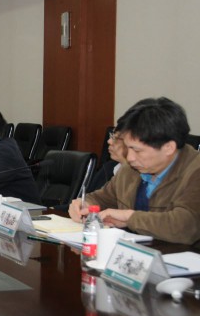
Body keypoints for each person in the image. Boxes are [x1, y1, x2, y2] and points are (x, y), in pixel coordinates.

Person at [68, 97, 200, 245]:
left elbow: (185, 227)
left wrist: (130, 218)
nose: (130, 158)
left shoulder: (195, 171)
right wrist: (85, 205)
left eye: (137, 150)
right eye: (128, 147)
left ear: (168, 147)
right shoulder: (132, 169)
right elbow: (104, 198)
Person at [86, 127, 128, 192]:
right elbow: (90, 195)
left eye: (116, 138)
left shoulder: (138, 177)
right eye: (111, 136)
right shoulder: (108, 167)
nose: (109, 141)